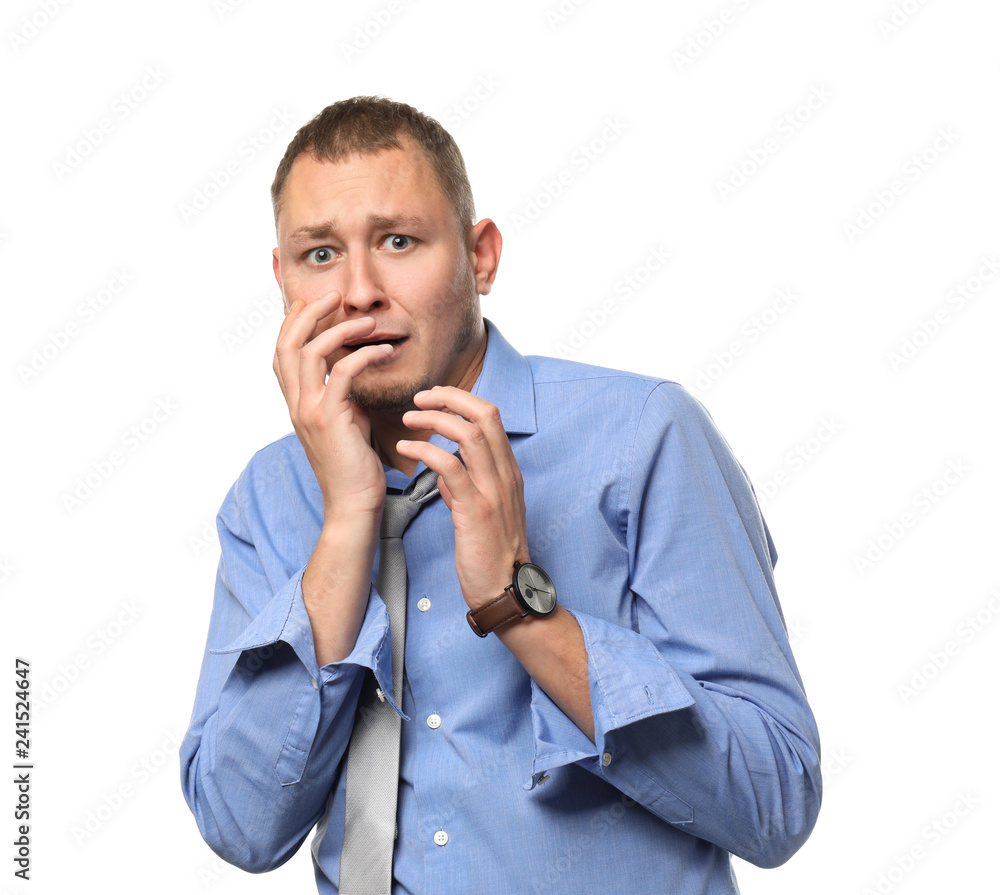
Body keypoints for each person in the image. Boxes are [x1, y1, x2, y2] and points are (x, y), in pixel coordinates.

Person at [180, 95, 821, 894]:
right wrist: (347, 522)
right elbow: (241, 827)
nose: (358, 292)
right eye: (320, 255)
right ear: (281, 280)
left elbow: (775, 800)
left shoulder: (642, 436)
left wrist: (520, 607)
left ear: (480, 257)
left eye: (398, 241)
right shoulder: (268, 497)